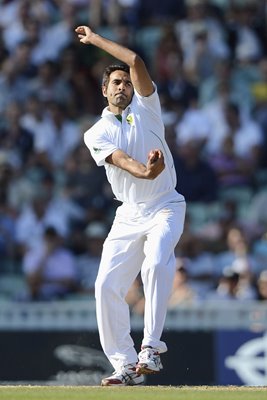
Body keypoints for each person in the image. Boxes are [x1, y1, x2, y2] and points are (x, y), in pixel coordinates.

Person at [75, 25, 186, 386]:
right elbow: (122, 161)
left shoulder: (148, 107)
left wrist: (94, 40)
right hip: (129, 213)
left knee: (156, 262)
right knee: (105, 285)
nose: (122, 86)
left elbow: (135, 59)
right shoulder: (96, 132)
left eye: (125, 82)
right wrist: (146, 170)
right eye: (115, 83)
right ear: (104, 91)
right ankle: (124, 365)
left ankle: (150, 348)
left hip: (166, 204)